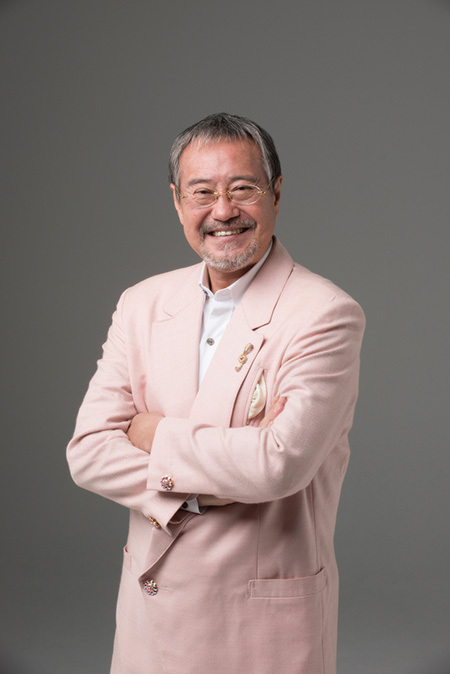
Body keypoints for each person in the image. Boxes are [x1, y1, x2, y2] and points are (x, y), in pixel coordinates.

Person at [67, 112, 365, 674]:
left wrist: (153, 433)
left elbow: (277, 464)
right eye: (202, 192)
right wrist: (200, 492)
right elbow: (87, 452)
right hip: (152, 618)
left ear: (276, 192)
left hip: (261, 627)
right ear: (177, 202)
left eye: (243, 188)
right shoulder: (141, 303)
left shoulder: (324, 313)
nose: (223, 211)